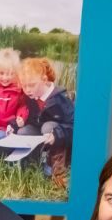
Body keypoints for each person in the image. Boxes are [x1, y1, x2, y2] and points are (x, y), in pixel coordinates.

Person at [15, 58, 75, 186]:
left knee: (48, 127)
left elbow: (74, 126)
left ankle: (57, 170)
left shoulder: (61, 99)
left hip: (59, 138)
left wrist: (56, 135)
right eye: (24, 85)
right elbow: (31, 119)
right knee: (23, 131)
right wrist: (16, 123)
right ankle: (34, 163)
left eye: (31, 85)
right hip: (42, 136)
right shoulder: (30, 96)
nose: (27, 90)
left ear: (44, 79)